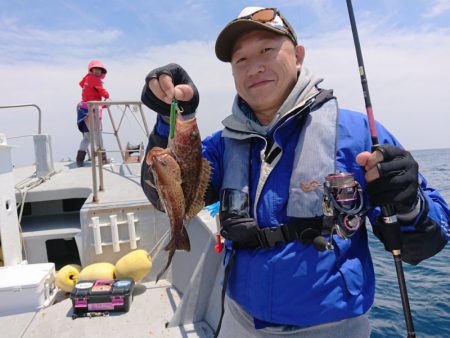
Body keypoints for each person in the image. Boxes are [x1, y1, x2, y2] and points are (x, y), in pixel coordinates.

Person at [140, 6, 450, 337]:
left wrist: (409, 203)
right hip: (238, 318)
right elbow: (169, 194)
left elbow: (429, 241)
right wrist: (169, 118)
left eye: (267, 50)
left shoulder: (355, 133)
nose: (254, 66)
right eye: (240, 60)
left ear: (298, 56)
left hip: (332, 326)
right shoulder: (223, 144)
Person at [76, 59, 110, 167]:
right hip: (93, 110)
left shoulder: (87, 78)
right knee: (98, 136)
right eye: (95, 69)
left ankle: (79, 159)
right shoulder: (95, 80)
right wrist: (107, 96)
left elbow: (81, 84)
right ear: (92, 70)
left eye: (99, 70)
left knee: (87, 138)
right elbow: (102, 91)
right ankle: (102, 159)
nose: (97, 71)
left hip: (83, 109)